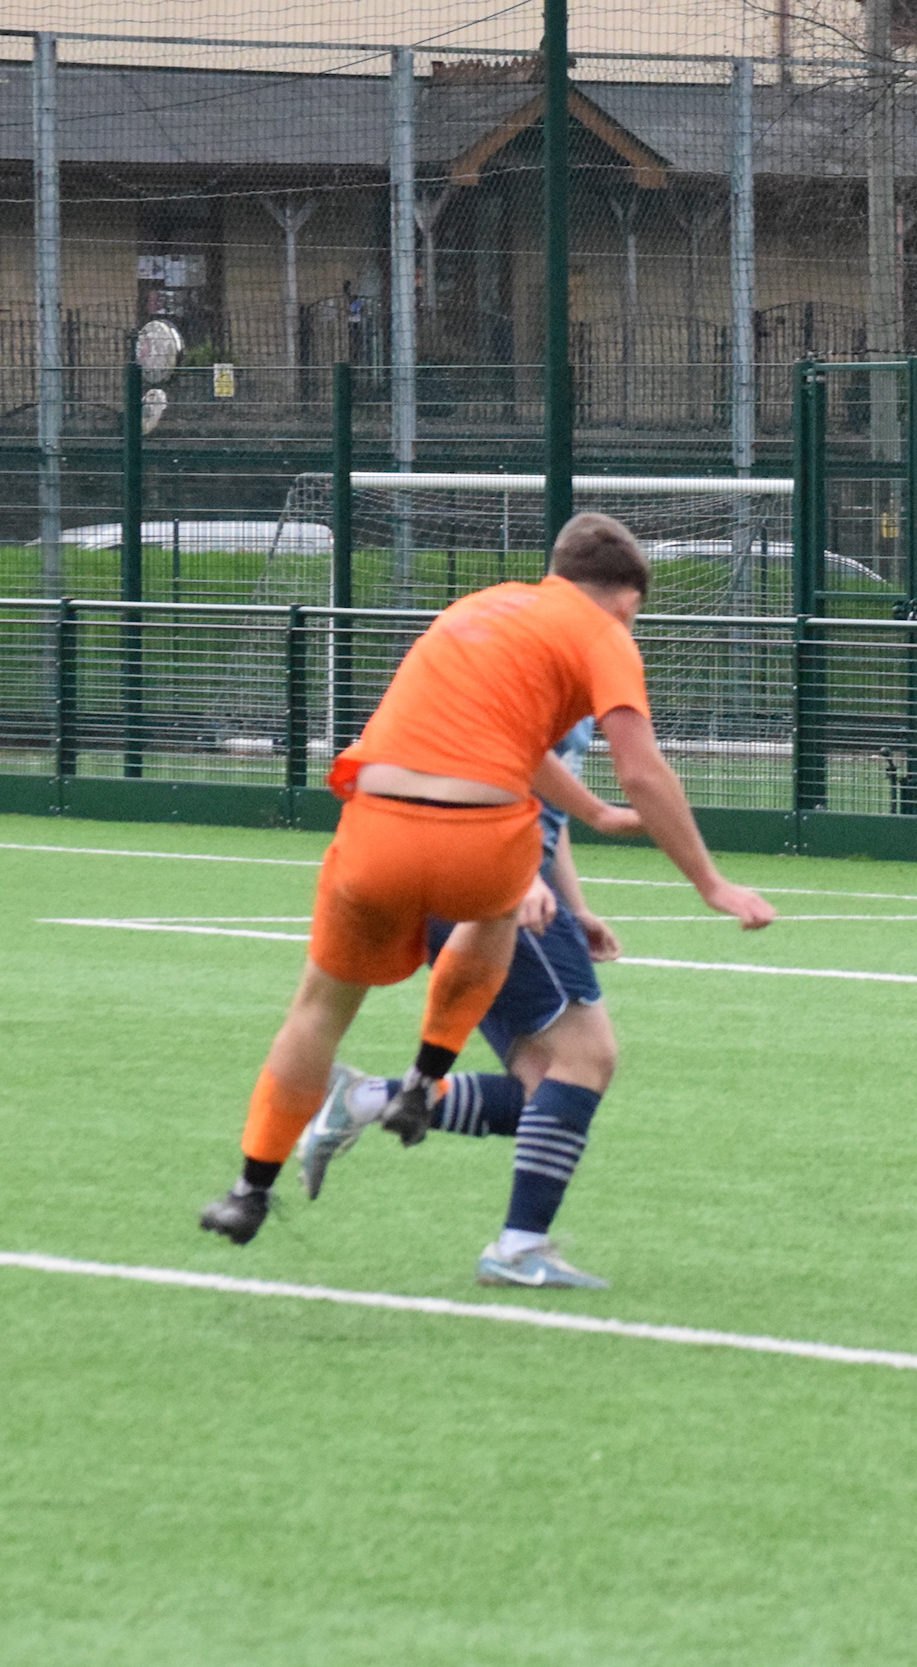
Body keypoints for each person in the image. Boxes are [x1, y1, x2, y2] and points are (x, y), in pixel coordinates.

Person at [198, 513, 775, 1250]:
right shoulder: (604, 635)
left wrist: (591, 813)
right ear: (622, 598)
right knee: (497, 911)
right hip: (479, 839)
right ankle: (419, 1081)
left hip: (373, 825)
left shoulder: (476, 609)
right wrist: (710, 883)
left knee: (317, 1008)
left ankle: (249, 1188)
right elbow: (644, 767)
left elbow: (509, 743)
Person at [291, 717, 631, 1289]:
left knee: (541, 1090)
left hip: (503, 884)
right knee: (588, 1057)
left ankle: (365, 1098)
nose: (630, 620)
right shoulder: (533, 660)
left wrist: (577, 903)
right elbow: (471, 770)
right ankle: (519, 1248)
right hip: (496, 883)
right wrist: (520, 875)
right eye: (624, 616)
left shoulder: (575, 667)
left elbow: (549, 802)